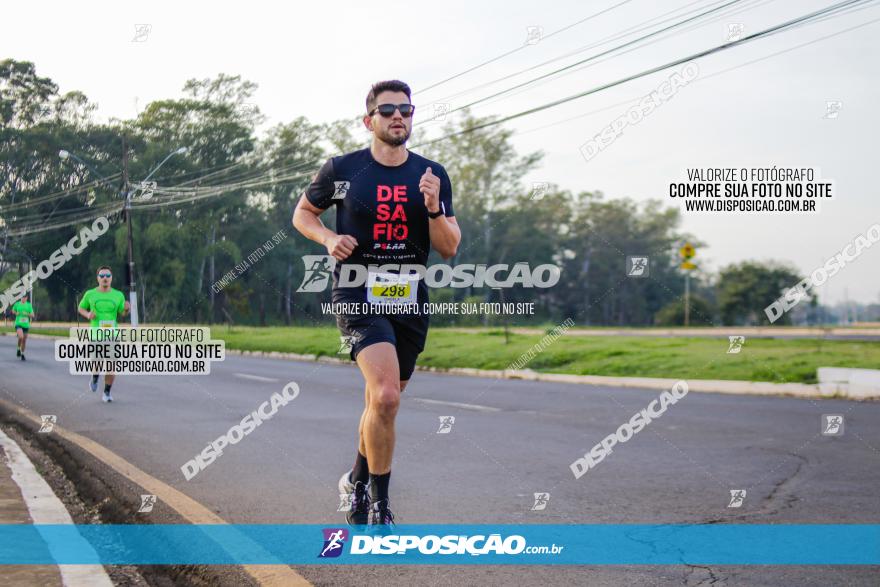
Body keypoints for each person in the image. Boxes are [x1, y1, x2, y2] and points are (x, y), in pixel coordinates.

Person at [293, 80, 461, 527]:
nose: (397, 117)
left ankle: (356, 478)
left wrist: (432, 208)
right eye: (387, 110)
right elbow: (303, 214)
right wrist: (328, 238)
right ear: (369, 120)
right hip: (357, 290)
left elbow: (449, 247)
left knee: (382, 401)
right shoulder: (342, 168)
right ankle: (379, 504)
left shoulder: (432, 175)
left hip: (409, 296)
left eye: (405, 109)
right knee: (385, 396)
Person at [77, 266, 129, 403]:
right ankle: (95, 377)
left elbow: (122, 313)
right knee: (98, 363)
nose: (105, 278)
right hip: (96, 335)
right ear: (98, 278)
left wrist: (127, 310)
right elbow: (80, 308)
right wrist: (88, 314)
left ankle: (107, 392)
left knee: (112, 365)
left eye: (107, 275)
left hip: (113, 335)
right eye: (102, 275)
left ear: (111, 278)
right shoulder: (90, 294)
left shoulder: (118, 295)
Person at [11, 294, 34, 361]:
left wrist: (27, 314)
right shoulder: (17, 304)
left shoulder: (29, 305)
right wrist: (16, 313)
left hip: (26, 325)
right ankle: (18, 348)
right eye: (22, 297)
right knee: (21, 337)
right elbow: (13, 311)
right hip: (18, 324)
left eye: (24, 297)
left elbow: (32, 315)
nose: (23, 299)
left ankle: (22, 353)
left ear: (26, 298)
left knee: (24, 341)